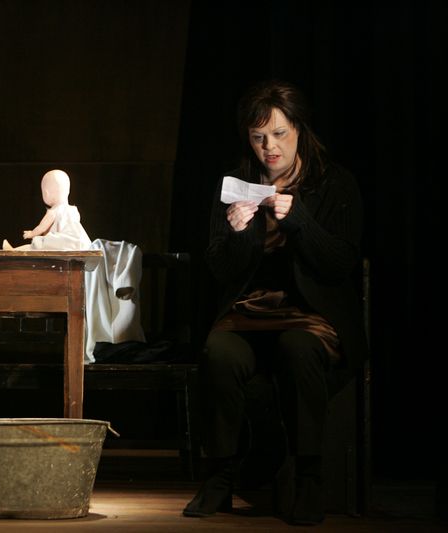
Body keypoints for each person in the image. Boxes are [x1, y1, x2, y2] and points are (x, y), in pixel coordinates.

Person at [183, 80, 366, 525]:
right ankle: (220, 476)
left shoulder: (334, 184)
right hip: (248, 314)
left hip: (310, 316)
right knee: (218, 352)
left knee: (298, 349)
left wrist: (298, 219)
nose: (270, 147)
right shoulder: (236, 184)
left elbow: (340, 264)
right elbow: (220, 270)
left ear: (300, 129)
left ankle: (309, 478)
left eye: (280, 134)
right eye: (258, 136)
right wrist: (239, 234)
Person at [2, 169, 91, 251]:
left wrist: (32, 233)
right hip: (77, 243)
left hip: (59, 242)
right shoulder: (74, 210)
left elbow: (42, 227)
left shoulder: (54, 211)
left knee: (34, 247)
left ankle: (13, 251)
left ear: (46, 193)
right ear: (68, 191)